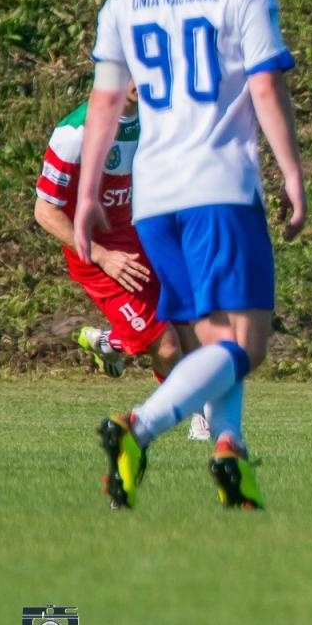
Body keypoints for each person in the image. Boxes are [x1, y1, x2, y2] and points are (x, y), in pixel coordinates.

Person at [76, 0, 306, 510]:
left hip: (154, 196)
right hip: (218, 185)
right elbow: (264, 83)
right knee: (246, 343)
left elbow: (105, 101)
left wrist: (90, 192)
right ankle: (137, 427)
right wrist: (291, 171)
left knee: (210, 336)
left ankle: (230, 452)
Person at [35, 89, 210, 438]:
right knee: (167, 345)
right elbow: (45, 211)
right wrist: (102, 255)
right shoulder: (76, 133)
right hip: (99, 257)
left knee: (191, 323)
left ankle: (112, 342)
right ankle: (195, 418)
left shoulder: (155, 118)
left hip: (142, 238)